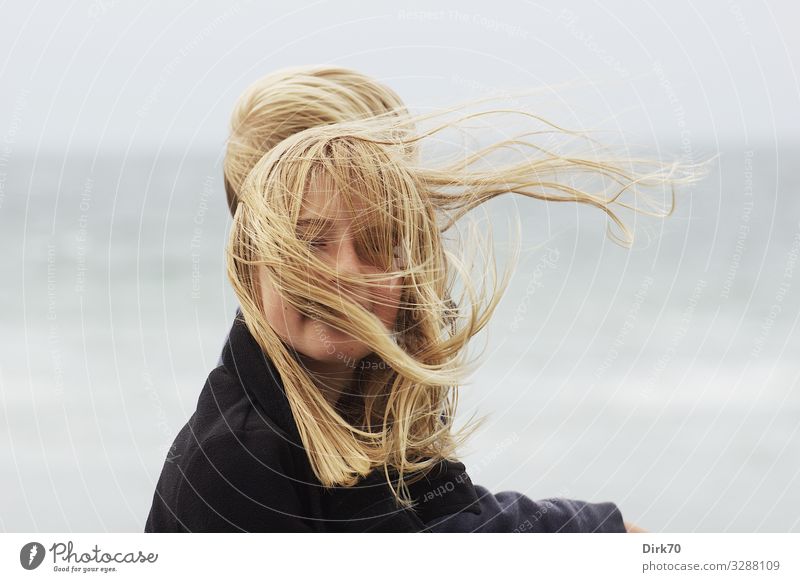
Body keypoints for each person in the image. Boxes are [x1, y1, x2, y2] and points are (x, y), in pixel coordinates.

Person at [145, 66, 702, 533]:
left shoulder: (360, 391)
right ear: (255, 246)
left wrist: (593, 533)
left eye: (379, 236)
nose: (344, 269)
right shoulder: (240, 457)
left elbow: (442, 522)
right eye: (310, 237)